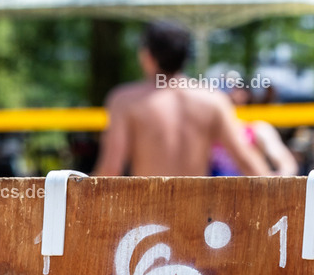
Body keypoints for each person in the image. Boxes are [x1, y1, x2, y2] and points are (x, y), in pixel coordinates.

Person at [93, 22, 270, 177]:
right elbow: (248, 162)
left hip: (147, 211)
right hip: (197, 212)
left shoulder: (125, 101)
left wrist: (71, 189)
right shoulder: (213, 100)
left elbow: (110, 170)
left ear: (147, 56)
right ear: (186, 57)